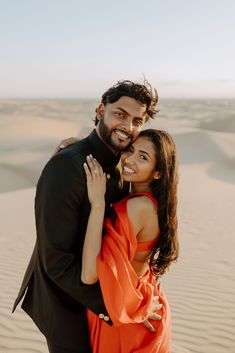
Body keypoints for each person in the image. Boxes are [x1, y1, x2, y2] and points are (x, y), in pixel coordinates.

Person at [12, 80, 161, 353]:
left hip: (104, 304)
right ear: (101, 109)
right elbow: (56, 262)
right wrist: (119, 307)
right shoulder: (66, 167)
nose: (128, 127)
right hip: (68, 310)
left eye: (137, 120)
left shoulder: (123, 163)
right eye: (120, 114)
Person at [81, 129, 179, 352]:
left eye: (143, 157)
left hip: (124, 318)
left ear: (157, 173)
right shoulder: (155, 204)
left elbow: (89, 274)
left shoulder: (136, 207)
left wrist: (97, 204)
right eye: (131, 150)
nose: (130, 160)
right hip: (138, 308)